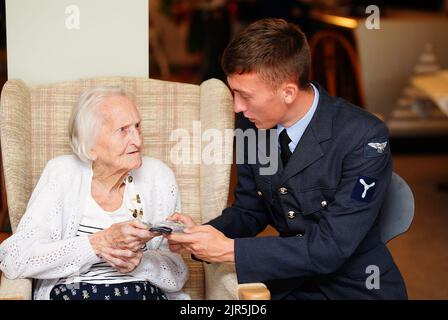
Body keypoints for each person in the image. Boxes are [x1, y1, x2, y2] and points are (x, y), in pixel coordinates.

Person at [166, 18, 407, 300]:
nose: (237, 107)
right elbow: (249, 210)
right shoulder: (252, 126)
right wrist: (200, 235)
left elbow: (331, 247)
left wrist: (228, 249)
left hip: (357, 287)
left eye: (245, 95)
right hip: (291, 282)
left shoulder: (365, 137)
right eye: (233, 93)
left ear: (288, 92)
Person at [0, 86, 189, 300]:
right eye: (123, 130)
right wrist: (98, 243)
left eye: (137, 126)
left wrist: (140, 262)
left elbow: (178, 275)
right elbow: (14, 259)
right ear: (90, 146)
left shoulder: (159, 177)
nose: (137, 140)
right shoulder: (62, 174)